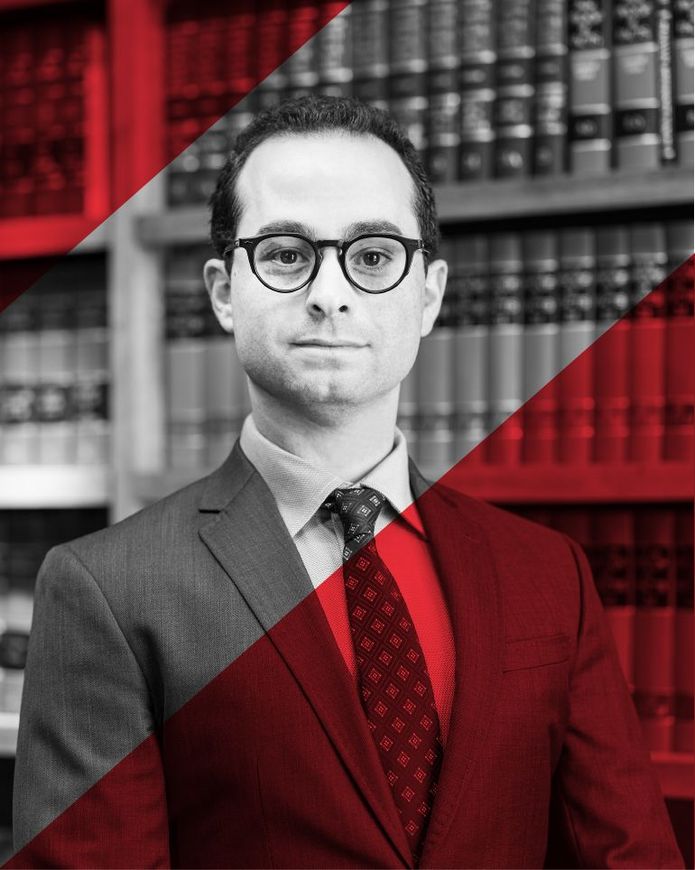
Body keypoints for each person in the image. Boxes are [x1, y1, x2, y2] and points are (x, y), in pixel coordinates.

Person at [12, 96, 683, 869]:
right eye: (287, 254)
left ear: (426, 294)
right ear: (224, 291)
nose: (329, 294)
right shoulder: (109, 587)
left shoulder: (547, 576)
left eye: (371, 256)